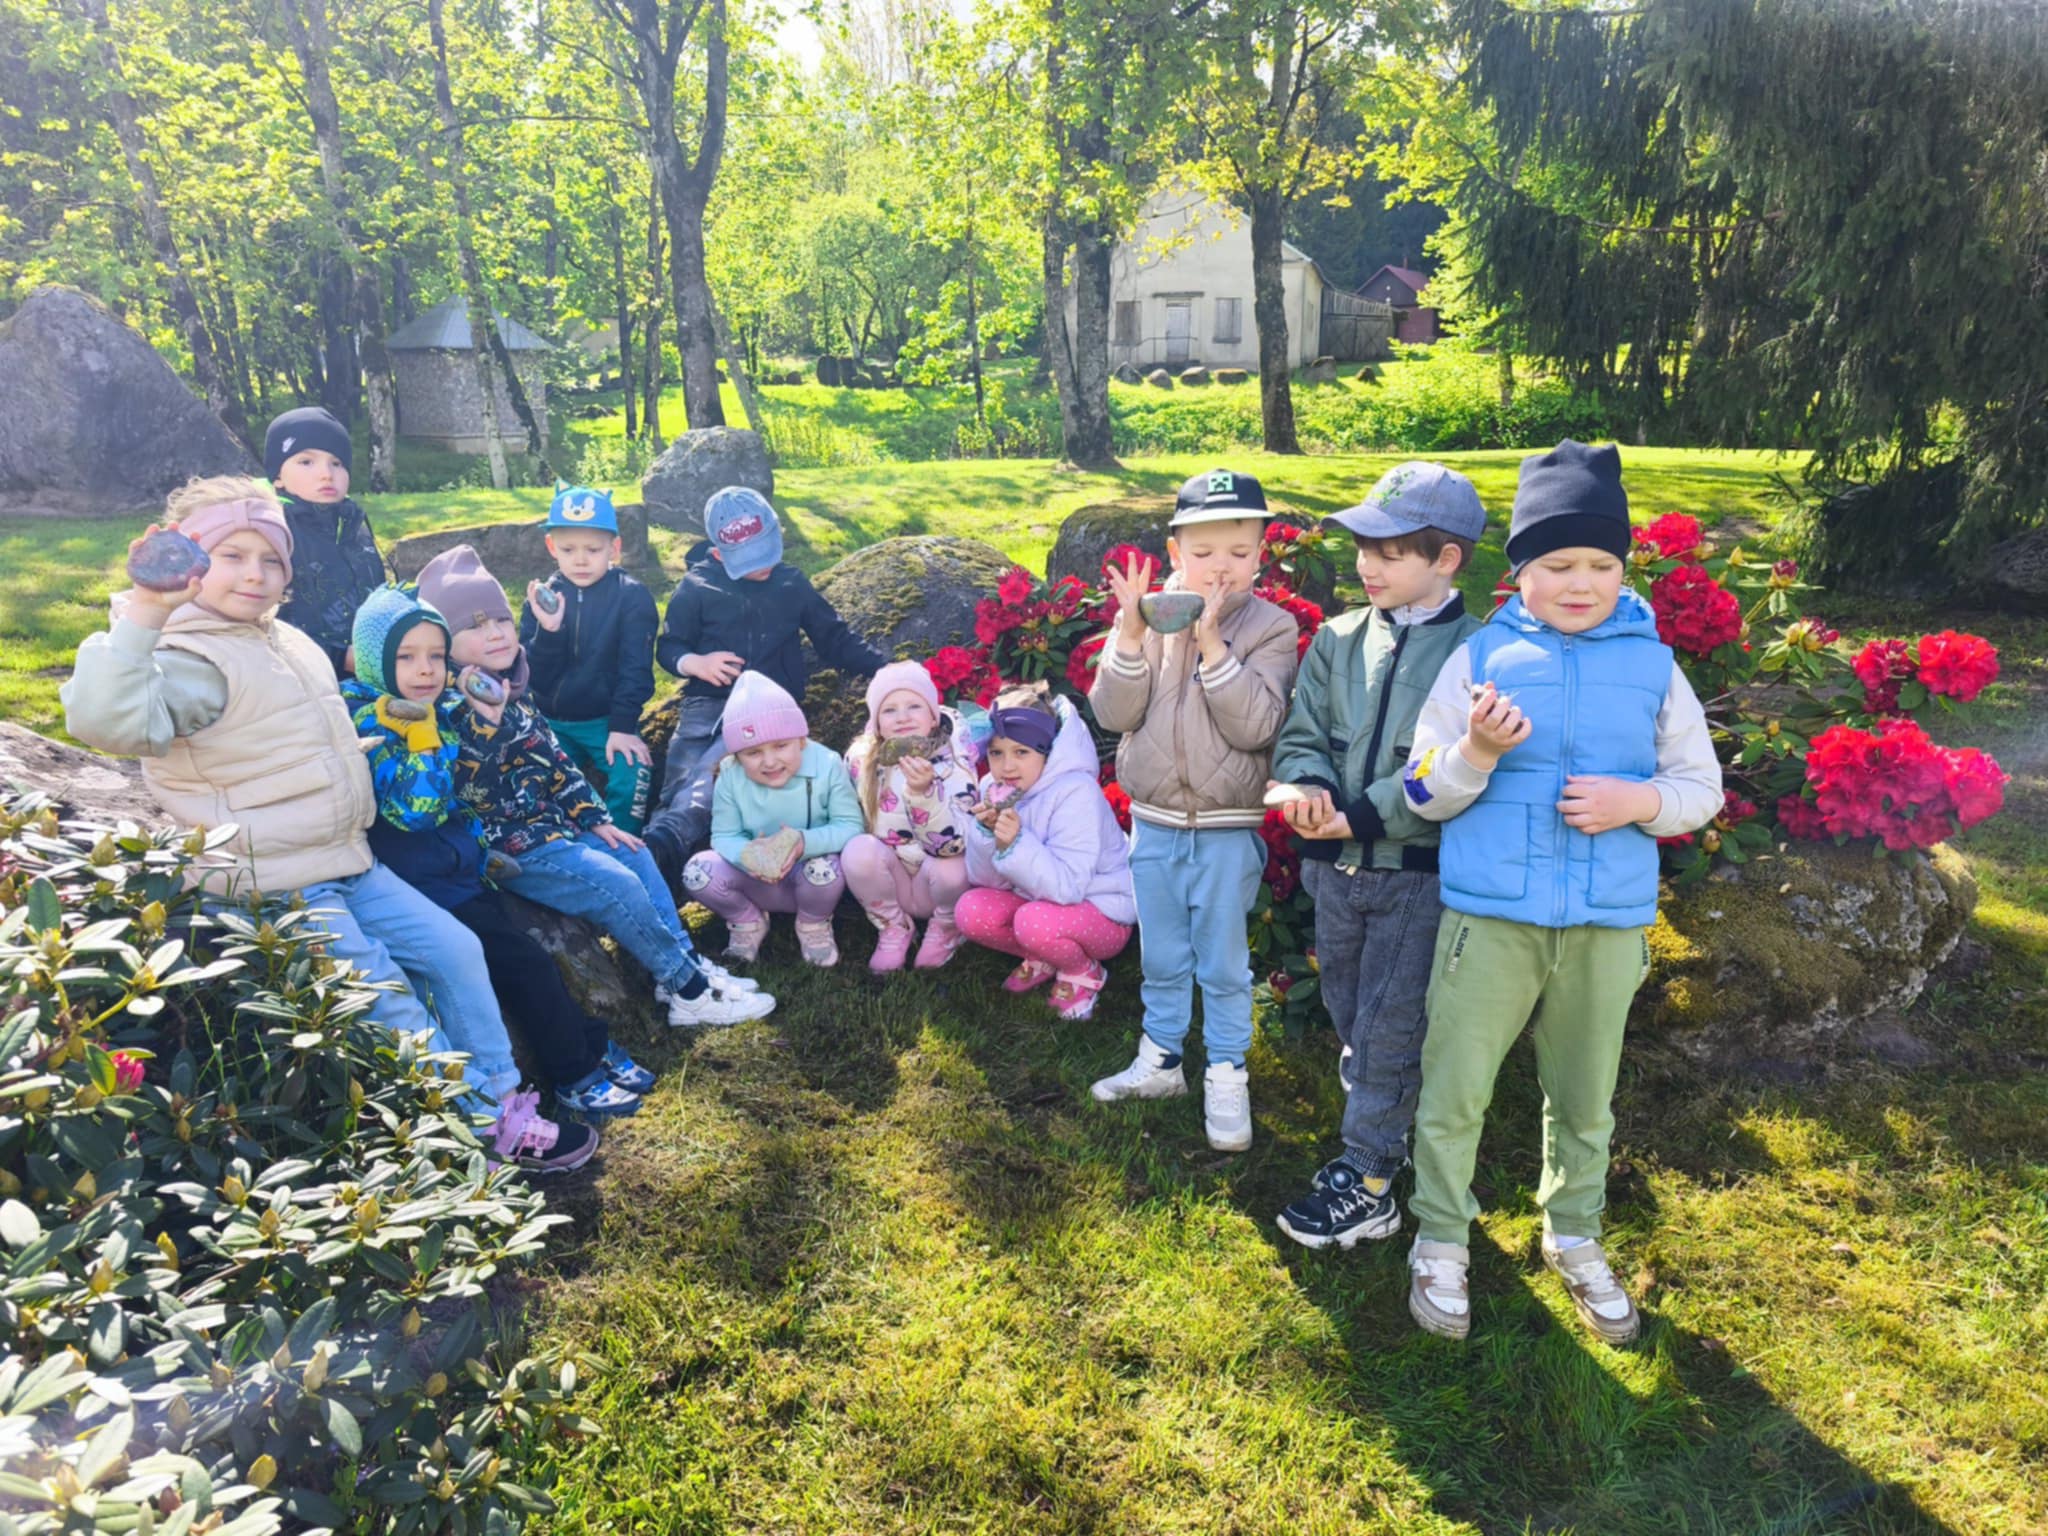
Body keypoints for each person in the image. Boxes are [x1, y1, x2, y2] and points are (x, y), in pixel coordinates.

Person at [61, 478, 593, 1174]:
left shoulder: (284, 639)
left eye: (271, 559)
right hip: (274, 881)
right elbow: (106, 721)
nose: (255, 574)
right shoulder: (187, 656)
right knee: (389, 999)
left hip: (346, 859)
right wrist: (146, 611)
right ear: (186, 562)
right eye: (230, 556)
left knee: (458, 951)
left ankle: (500, 1099)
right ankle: (469, 1135)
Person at [1398, 441, 1722, 1345]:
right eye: (1558, 564)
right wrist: (1477, 753)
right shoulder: (1480, 657)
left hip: (1606, 927)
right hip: (1489, 922)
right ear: (1520, 572)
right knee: (1455, 1088)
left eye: (1601, 565)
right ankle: (1441, 1236)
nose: (1581, 583)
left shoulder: (1655, 667)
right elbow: (1420, 789)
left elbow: (1700, 788)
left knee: (1585, 1098)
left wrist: (1639, 803)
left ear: (1624, 570)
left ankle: (1573, 1231)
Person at [414, 544, 775, 1031]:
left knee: (634, 854)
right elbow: (463, 782)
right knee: (615, 885)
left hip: (553, 827)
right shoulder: (449, 706)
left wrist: (594, 817)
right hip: (510, 847)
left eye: (500, 620)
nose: (495, 634)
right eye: (474, 627)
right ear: (445, 646)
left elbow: (554, 759)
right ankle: (689, 992)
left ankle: (682, 966)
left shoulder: (512, 686)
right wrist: (484, 724)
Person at [1265, 462, 1488, 1246]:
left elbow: (1446, 768)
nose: (1367, 565)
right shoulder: (1337, 638)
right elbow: (1302, 735)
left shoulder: (1477, 652)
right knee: (1351, 1011)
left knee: (1390, 1027)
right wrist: (1309, 788)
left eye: (1390, 553)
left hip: (1413, 879)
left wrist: (1359, 817)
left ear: (1446, 559)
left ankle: (1369, 1176)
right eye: (1363, 548)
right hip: (1334, 872)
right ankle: (1384, 1100)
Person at [344, 584, 652, 1120]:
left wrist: (481, 721)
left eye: (436, 655)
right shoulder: (376, 721)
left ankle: (592, 1042)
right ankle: (574, 1075)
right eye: (406, 657)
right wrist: (421, 737)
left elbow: (470, 773)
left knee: (533, 961)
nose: (426, 669)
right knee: (525, 967)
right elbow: (416, 811)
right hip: (425, 886)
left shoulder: (433, 706)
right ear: (374, 661)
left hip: (462, 872)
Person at [1085, 469, 1298, 1154]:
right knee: (1165, 953)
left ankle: (1228, 1071)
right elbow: (1114, 714)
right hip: (1153, 823)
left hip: (1227, 830)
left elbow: (1257, 726)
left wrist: (1210, 645)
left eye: (1239, 552)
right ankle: (1162, 1059)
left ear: (1261, 554)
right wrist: (1128, 635)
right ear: (1176, 553)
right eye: (1203, 552)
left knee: (1224, 962)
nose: (1221, 567)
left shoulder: (1271, 627)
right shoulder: (1149, 620)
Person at [642, 486, 886, 876]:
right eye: (748, 560)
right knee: (678, 778)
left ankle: (665, 844)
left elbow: (834, 639)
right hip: (706, 702)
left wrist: (886, 669)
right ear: (718, 553)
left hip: (766, 713)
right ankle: (654, 853)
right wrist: (695, 663)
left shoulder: (790, 583)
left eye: (767, 553)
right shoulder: (698, 585)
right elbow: (669, 646)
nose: (762, 566)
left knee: (711, 772)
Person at [957, 689, 1136, 1022]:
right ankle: (1044, 955)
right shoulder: (991, 789)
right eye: (996, 752)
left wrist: (1016, 843)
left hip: (1101, 910)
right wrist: (986, 835)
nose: (1007, 766)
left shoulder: (1076, 792)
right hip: (1037, 903)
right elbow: (985, 881)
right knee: (970, 910)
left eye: (1021, 752)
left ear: (1047, 751)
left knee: (1032, 922)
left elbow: (1068, 888)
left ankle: (1083, 970)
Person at [680, 671, 865, 967]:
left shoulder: (827, 764)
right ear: (736, 755)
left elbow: (851, 826)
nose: (769, 761)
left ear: (801, 740)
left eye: (781, 746)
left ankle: (813, 923)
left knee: (826, 869)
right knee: (696, 872)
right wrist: (748, 856)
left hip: (810, 877)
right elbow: (723, 835)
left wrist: (804, 842)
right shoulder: (729, 774)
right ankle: (746, 920)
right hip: (753, 879)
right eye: (753, 752)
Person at [519, 484, 660, 833]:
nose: (580, 560)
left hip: (604, 720)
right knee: (528, 779)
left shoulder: (631, 597)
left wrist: (622, 726)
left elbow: (636, 669)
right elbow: (531, 674)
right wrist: (549, 631)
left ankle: (625, 843)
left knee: (634, 773)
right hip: (550, 720)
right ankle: (556, 842)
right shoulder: (542, 599)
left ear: (615, 548)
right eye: (568, 549)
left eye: (593, 549)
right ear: (551, 546)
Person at [841, 661, 985, 972]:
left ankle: (946, 928)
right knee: (857, 850)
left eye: (914, 706)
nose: (902, 717)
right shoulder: (861, 762)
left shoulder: (954, 763)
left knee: (953, 867)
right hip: (890, 879)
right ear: (876, 724)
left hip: (938, 882)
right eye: (889, 710)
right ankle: (893, 926)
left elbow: (955, 845)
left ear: (933, 717)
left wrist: (924, 794)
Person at [264, 406, 387, 675]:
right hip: (299, 678)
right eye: (306, 462)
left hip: (372, 672)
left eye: (337, 463)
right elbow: (262, 626)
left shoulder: (353, 526)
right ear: (278, 476)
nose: (326, 474)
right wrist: (340, 658)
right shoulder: (270, 534)